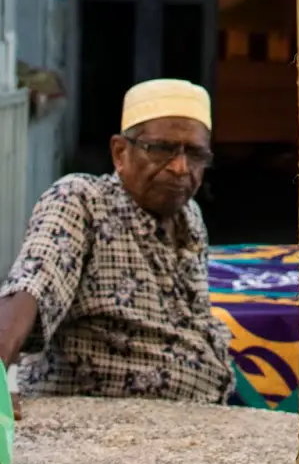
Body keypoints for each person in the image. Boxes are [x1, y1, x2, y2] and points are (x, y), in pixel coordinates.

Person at [0, 78, 233, 406]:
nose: (181, 168)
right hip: (105, 431)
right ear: (120, 152)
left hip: (195, 421)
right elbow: (30, 287)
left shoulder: (189, 215)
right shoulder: (83, 202)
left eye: (195, 154)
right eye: (162, 149)